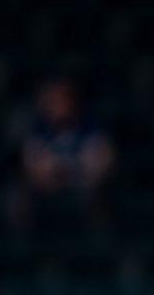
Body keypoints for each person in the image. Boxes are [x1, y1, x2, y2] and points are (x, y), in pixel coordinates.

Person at [12, 77, 114, 233]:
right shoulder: (39, 127)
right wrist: (55, 173)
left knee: (100, 193)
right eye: (52, 100)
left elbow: (102, 160)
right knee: (20, 193)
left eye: (61, 99)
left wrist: (72, 170)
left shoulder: (91, 125)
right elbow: (33, 164)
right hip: (48, 186)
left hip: (84, 184)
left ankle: (98, 237)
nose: (55, 105)